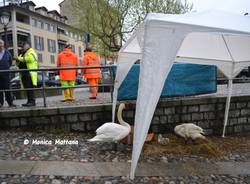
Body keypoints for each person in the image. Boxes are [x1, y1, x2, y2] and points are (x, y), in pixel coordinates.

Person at [15, 42, 38, 107]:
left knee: (29, 87)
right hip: (23, 73)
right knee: (27, 88)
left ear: (28, 45)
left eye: (23, 46)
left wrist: (18, 58)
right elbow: (17, 64)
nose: (22, 47)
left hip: (29, 73)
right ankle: (29, 101)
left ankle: (32, 102)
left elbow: (29, 59)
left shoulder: (31, 52)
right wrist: (17, 60)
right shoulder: (22, 53)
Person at [0, 39, 15, 108]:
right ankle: (0, 103)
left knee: (7, 89)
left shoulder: (7, 53)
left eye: (0, 43)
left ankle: (10, 103)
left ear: (3, 45)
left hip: (6, 74)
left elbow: (10, 62)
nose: (0, 45)